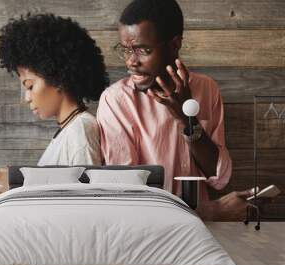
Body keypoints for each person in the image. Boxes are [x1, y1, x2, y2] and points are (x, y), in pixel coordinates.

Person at [97, 0, 251, 220]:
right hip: (150, 236)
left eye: (143, 50)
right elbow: (127, 196)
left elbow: (218, 178)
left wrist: (186, 119)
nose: (131, 62)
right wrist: (211, 211)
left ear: (174, 45)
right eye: (126, 50)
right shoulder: (116, 102)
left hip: (203, 236)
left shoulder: (206, 89)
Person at [0, 13, 109, 193]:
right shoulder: (68, 130)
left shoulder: (81, 130)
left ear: (59, 78)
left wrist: (19, 185)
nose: (26, 97)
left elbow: (85, 199)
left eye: (30, 86)